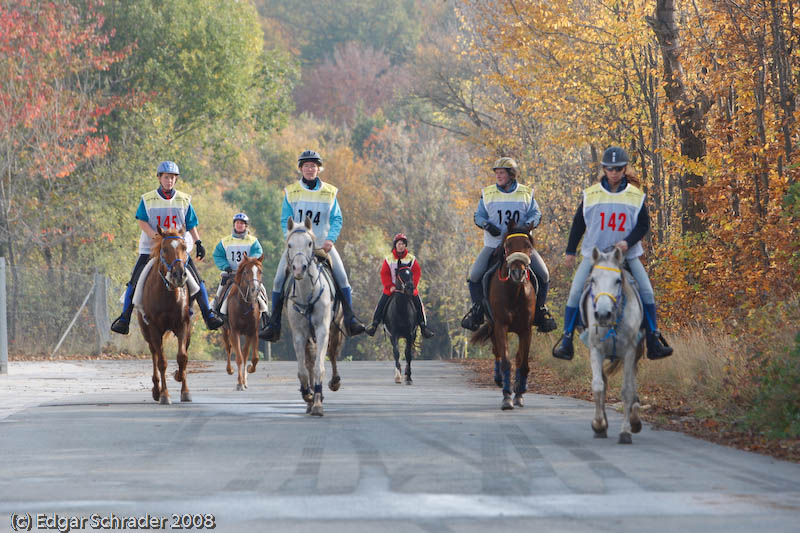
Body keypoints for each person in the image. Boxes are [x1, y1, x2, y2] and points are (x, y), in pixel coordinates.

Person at [552, 146, 673, 361]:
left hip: (626, 255)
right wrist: (571, 251)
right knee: (575, 291)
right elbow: (578, 224)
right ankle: (567, 339)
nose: (614, 173)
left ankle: (654, 339)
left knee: (646, 291)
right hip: (594, 255)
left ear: (624, 169)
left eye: (618, 169)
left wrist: (628, 242)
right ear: (604, 170)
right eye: (610, 169)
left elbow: (643, 224)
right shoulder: (591, 195)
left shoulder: (635, 196)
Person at [259, 150, 366, 341]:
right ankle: (274, 325)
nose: (310, 169)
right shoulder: (291, 191)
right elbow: (285, 220)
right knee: (277, 281)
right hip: (297, 248)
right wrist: (291, 240)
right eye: (306, 166)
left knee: (342, 279)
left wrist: (330, 239)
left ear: (319, 169)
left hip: (321, 245)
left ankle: (350, 320)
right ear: (301, 168)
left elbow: (336, 219)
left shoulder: (330, 192)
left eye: (313, 166)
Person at [110, 161, 224, 334]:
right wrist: (155, 236)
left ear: (175, 179)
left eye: (172, 178)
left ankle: (208, 315)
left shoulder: (184, 199)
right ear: (159, 178)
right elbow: (141, 220)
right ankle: (124, 318)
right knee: (135, 281)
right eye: (166, 177)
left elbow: (191, 223)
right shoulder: (148, 199)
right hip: (151, 247)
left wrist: (198, 242)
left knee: (197, 280)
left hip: (176, 249)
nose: (169, 181)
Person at [460, 157, 556, 332]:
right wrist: (487, 225)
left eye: (501, 172)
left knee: (543, 275)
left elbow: (536, 214)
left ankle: (541, 311)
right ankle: (477, 311)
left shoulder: (526, 193)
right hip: (494, 244)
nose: (498, 175)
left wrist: (527, 226)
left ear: (511, 175)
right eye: (496, 173)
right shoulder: (488, 193)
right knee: (474, 276)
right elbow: (478, 216)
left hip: (521, 245)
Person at [365, 233, 435, 338]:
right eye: (399, 244)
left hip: (409, 289)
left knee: (418, 303)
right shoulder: (389, 259)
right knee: (381, 303)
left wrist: (412, 286)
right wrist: (390, 286)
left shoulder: (411, 259)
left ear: (405, 246)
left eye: (403, 244)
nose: (400, 246)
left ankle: (423, 327)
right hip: (392, 289)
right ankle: (374, 325)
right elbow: (384, 274)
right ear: (395, 245)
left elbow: (417, 272)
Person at [211, 212, 269, 328]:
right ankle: (214, 314)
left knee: (261, 290)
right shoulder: (225, 241)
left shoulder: (253, 241)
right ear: (234, 225)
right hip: (230, 274)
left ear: (246, 226)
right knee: (220, 292)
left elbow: (258, 253)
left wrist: (249, 264)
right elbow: (217, 255)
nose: (239, 225)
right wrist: (225, 266)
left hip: (247, 276)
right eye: (237, 223)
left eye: (242, 223)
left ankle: (266, 316)